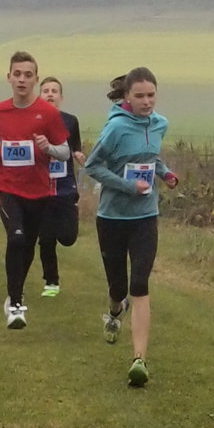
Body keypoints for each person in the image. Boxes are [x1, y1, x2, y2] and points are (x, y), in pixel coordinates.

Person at [83, 67, 177, 388]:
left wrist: (165, 173)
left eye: (151, 95)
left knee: (140, 283)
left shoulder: (160, 124)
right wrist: (126, 185)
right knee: (118, 288)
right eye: (140, 96)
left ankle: (139, 360)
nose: (147, 102)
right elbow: (93, 166)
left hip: (145, 217)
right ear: (127, 97)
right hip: (112, 218)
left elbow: (151, 158)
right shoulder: (115, 128)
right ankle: (114, 310)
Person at [0, 51, 70, 329]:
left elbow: (65, 152)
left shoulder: (48, 113)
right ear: (8, 77)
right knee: (17, 238)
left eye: (28, 75)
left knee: (28, 245)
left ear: (35, 79)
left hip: (38, 190)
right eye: (17, 74)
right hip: (6, 186)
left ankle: (16, 290)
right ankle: (15, 304)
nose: (22, 79)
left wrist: (49, 148)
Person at [37, 76, 86, 298]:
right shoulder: (33, 120)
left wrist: (79, 155)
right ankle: (51, 282)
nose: (50, 94)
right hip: (41, 189)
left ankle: (64, 222)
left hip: (65, 187)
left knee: (67, 238)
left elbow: (75, 147)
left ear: (61, 97)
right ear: (39, 96)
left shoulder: (70, 121)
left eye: (54, 91)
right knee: (46, 239)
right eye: (45, 90)